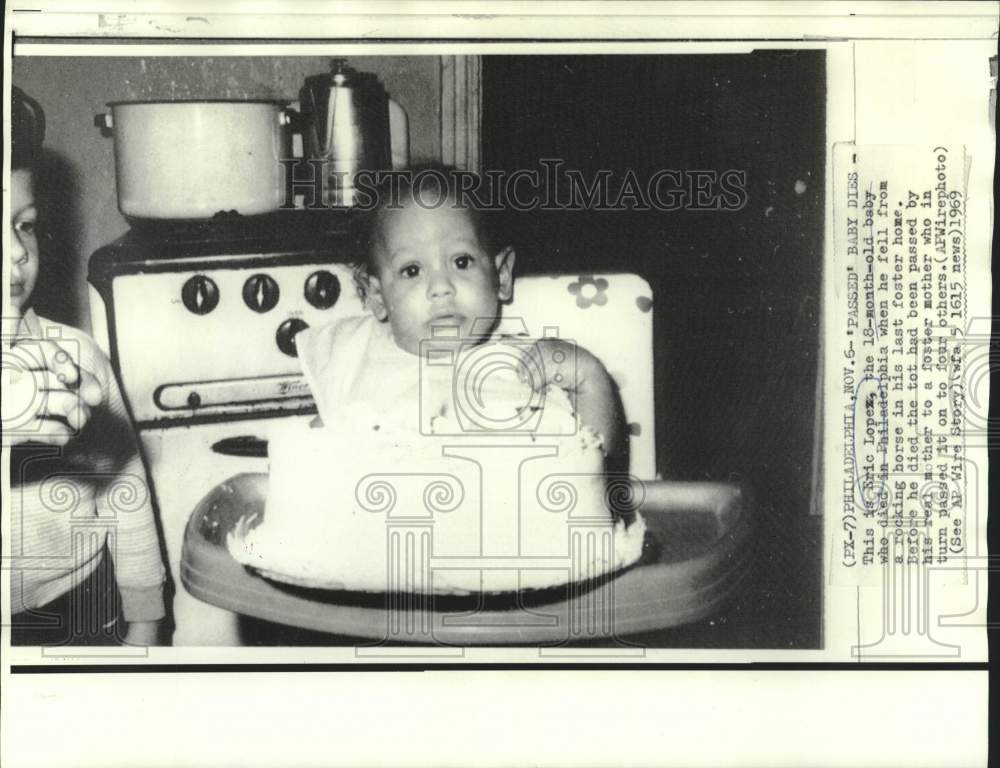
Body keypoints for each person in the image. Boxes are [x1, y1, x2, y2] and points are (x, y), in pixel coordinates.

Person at [296, 166, 626, 462]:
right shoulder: (352, 355)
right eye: (412, 270)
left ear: (502, 276)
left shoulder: (531, 365)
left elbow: (596, 478)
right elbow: (307, 464)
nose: (441, 287)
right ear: (377, 295)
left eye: (461, 262)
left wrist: (589, 378)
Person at [5, 86, 166, 646]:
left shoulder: (74, 356)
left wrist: (145, 616)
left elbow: (125, 486)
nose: (17, 252)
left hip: (83, 606)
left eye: (23, 224)